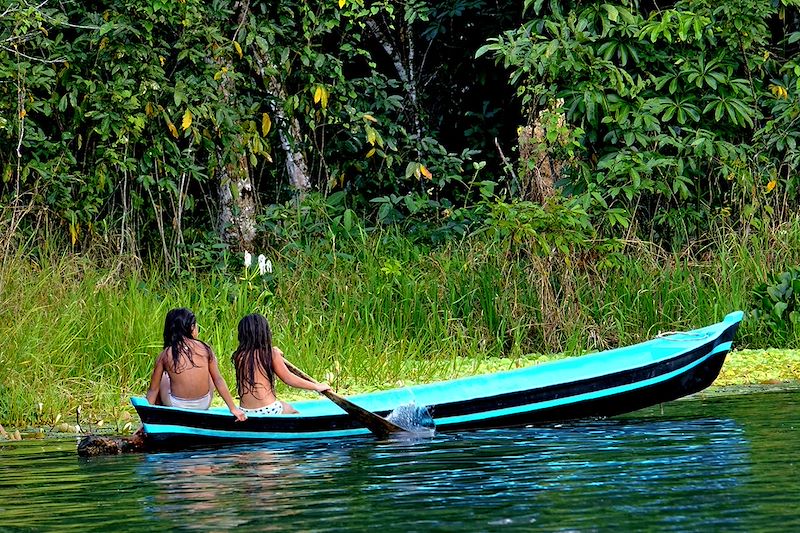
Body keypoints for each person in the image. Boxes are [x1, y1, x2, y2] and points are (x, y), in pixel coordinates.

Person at [146, 308, 246, 421]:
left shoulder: (165, 354)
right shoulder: (205, 349)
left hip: (176, 406)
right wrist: (233, 408)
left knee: (163, 377)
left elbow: (153, 390)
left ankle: (160, 415)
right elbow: (218, 380)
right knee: (210, 374)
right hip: (203, 405)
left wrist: (145, 419)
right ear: (192, 327)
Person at [232, 313, 330, 415]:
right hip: (268, 410)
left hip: (245, 411)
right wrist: (316, 387)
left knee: (283, 404)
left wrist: (274, 351)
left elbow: (255, 357)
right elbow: (288, 379)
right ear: (264, 333)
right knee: (293, 412)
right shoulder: (271, 354)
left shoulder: (238, 356)